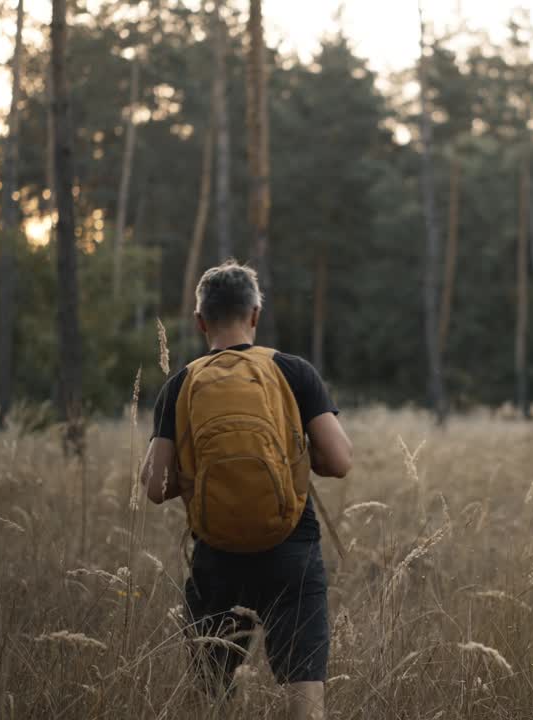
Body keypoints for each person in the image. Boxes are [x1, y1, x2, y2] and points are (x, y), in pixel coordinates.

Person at [139, 261, 352, 720]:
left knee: (215, 698)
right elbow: (338, 461)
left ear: (200, 322)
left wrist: (196, 477)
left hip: (216, 553)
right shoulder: (293, 371)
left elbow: (154, 486)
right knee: (304, 697)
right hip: (291, 544)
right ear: (255, 314)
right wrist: (290, 459)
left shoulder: (181, 383)